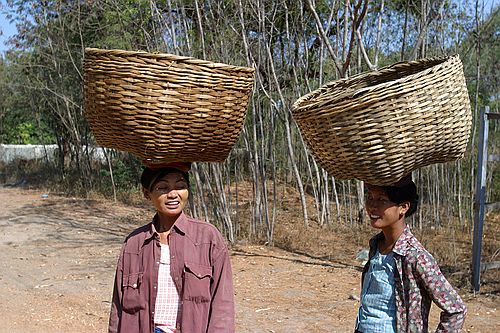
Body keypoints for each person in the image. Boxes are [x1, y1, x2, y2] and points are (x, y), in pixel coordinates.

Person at [108, 162, 235, 333]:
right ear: (147, 193)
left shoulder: (208, 238)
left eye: (180, 186)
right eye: (162, 188)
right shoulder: (134, 243)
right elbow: (118, 306)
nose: (173, 194)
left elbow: (223, 304)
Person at [354, 175, 467, 333]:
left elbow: (456, 309)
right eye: (370, 197)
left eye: (382, 199)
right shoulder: (376, 246)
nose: (372, 205)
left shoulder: (415, 256)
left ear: (403, 207)